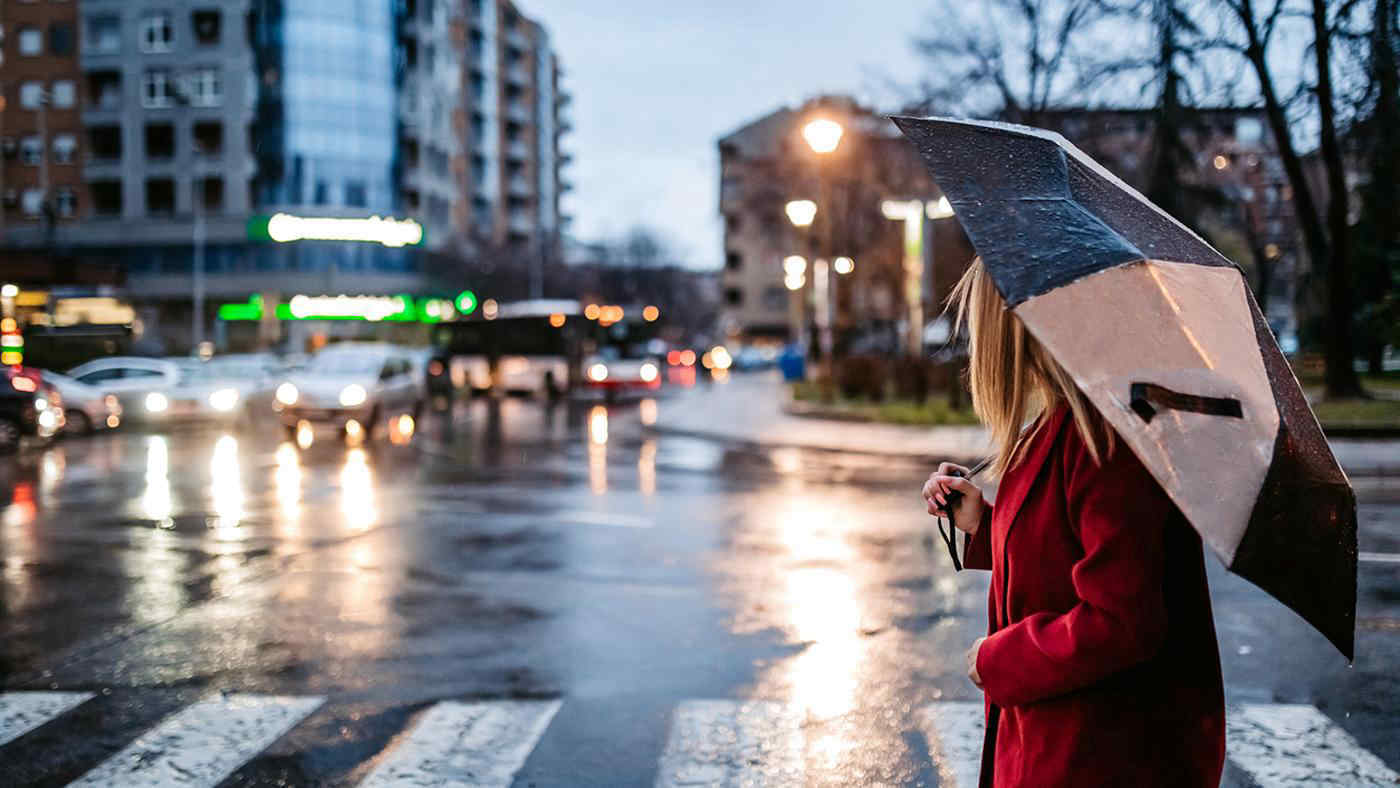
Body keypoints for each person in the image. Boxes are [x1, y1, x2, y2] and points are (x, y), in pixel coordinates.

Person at [922, 259, 1226, 787]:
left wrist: (1000, 659)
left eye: (980, 324)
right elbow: (1063, 553)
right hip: (1057, 741)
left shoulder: (1103, 438)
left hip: (1093, 755)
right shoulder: (1060, 424)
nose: (975, 343)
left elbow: (1122, 621)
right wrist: (981, 524)